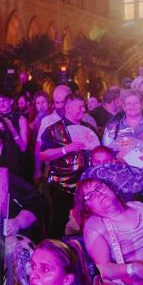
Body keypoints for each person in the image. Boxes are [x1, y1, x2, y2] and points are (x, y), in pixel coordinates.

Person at [40, 93, 96, 237]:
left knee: (87, 225)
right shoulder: (53, 130)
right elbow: (43, 155)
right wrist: (66, 149)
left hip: (85, 186)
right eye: (80, 107)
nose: (84, 110)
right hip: (60, 187)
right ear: (68, 108)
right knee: (58, 224)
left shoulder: (89, 127)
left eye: (84, 106)